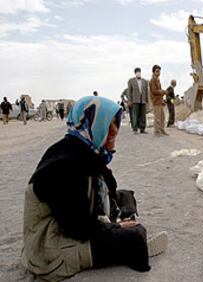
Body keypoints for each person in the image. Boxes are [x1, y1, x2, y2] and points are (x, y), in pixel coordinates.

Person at [22, 96, 168, 281]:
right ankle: (133, 241)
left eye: (115, 124)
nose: (115, 131)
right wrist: (114, 228)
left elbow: (107, 186)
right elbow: (77, 227)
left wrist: (113, 223)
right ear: (94, 124)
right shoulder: (63, 165)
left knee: (125, 196)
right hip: (49, 248)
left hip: (72, 221)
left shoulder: (82, 150)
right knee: (135, 237)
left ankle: (124, 224)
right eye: (109, 125)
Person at [127, 67, 149, 134]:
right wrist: (130, 100)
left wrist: (147, 100)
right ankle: (135, 129)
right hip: (135, 100)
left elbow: (146, 91)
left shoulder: (144, 81)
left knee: (142, 115)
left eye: (139, 71)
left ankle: (142, 128)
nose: (138, 73)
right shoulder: (131, 81)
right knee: (135, 115)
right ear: (135, 73)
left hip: (143, 100)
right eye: (137, 72)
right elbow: (129, 91)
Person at [149, 65, 168, 136]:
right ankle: (156, 132)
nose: (158, 73)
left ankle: (161, 129)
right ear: (153, 72)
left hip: (160, 101)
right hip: (156, 101)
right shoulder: (152, 80)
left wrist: (162, 98)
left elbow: (159, 91)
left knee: (162, 117)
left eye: (159, 71)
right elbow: (154, 91)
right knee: (157, 118)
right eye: (157, 71)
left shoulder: (158, 80)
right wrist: (163, 92)